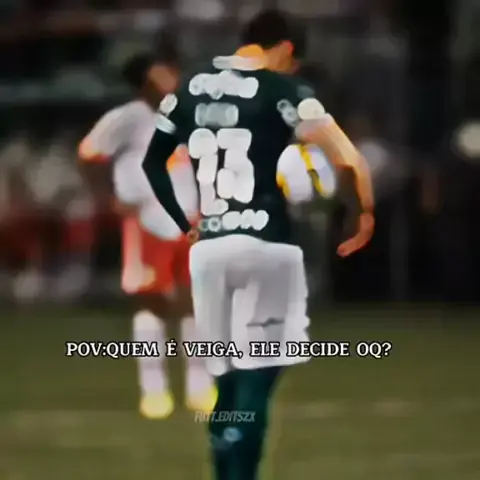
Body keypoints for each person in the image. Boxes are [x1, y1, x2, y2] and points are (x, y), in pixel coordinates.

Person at [142, 9, 374, 479]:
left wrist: (184, 222)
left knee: (226, 373)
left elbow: (153, 163)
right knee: (259, 370)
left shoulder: (189, 89)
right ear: (286, 48)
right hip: (265, 245)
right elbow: (348, 160)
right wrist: (362, 212)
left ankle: (224, 449)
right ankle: (238, 452)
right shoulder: (283, 91)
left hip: (210, 249)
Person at [78, 52, 215, 420]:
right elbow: (88, 154)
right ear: (144, 82)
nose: (172, 78)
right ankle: (154, 391)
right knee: (150, 303)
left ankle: (200, 387)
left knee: (192, 302)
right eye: (162, 73)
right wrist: (109, 199)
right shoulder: (128, 117)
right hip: (147, 222)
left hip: (187, 219)